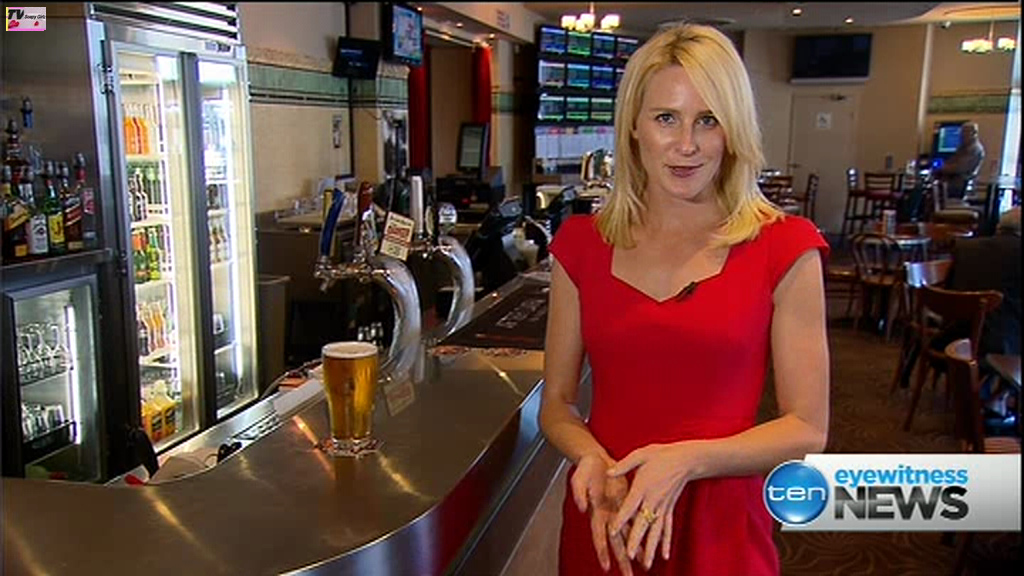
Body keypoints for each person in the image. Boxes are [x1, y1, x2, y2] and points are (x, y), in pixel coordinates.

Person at [539, 24, 830, 576]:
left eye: (708, 120)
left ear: (733, 131)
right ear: (633, 127)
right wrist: (589, 456)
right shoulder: (581, 245)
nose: (687, 144)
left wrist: (686, 461)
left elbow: (806, 428)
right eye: (666, 118)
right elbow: (557, 403)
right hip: (610, 514)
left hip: (720, 529)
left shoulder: (785, 247)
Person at [937, 122, 985, 200]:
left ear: (974, 133)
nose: (962, 135)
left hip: (959, 183)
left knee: (932, 192)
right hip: (953, 180)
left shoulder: (975, 149)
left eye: (965, 132)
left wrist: (942, 168)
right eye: (962, 132)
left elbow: (960, 167)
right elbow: (952, 161)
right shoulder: (963, 147)